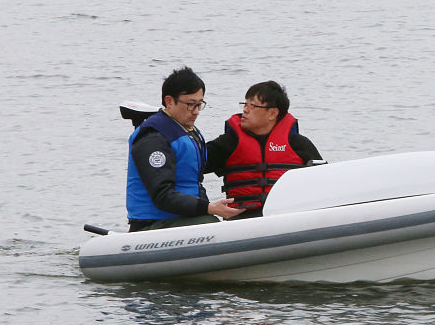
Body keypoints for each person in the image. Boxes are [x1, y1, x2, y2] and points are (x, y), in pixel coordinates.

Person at [126, 67, 243, 232]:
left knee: (211, 220)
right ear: (169, 101)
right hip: (152, 225)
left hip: (185, 219)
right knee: (209, 222)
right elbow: (162, 196)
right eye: (190, 105)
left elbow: (195, 165)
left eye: (199, 104)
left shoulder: (186, 130)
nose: (196, 112)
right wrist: (209, 207)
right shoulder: (153, 138)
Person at [207, 81, 322, 219]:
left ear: (272, 113)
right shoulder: (229, 142)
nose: (245, 110)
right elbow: (189, 170)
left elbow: (323, 182)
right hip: (242, 219)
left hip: (288, 216)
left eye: (253, 105)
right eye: (245, 104)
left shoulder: (298, 144)